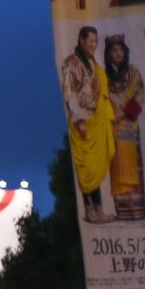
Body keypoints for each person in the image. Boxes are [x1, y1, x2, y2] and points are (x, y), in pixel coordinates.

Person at [60, 24, 114, 223]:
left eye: (95, 41)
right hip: (81, 119)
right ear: (81, 40)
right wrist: (79, 120)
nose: (93, 44)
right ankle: (90, 210)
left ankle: (98, 208)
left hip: (96, 117)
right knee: (86, 168)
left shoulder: (93, 62)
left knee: (95, 165)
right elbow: (70, 94)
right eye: (90, 41)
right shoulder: (71, 63)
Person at [104, 33, 145, 222]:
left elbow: (139, 95)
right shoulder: (104, 75)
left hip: (129, 126)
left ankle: (136, 210)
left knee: (133, 169)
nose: (118, 53)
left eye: (121, 49)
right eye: (114, 50)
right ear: (108, 53)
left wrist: (122, 113)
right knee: (116, 169)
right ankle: (122, 211)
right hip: (111, 127)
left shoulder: (134, 72)